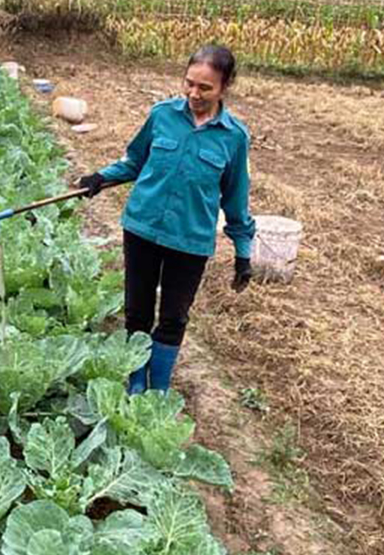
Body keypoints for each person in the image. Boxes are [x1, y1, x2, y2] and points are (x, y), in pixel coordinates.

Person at [77, 45, 255, 394]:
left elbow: (236, 197)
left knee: (173, 317)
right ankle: (135, 383)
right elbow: (134, 162)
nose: (194, 94)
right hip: (142, 228)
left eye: (205, 88)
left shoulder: (234, 138)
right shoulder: (162, 116)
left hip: (190, 239)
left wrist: (243, 249)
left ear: (225, 87)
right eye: (189, 83)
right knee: (137, 313)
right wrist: (100, 177)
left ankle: (157, 389)